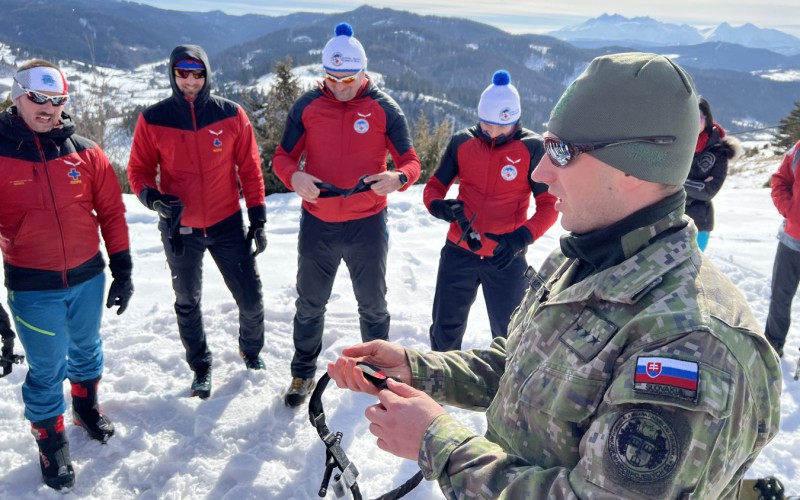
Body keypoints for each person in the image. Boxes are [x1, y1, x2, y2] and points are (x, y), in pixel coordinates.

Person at [327, 53, 781, 499]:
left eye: (561, 152)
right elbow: (520, 368)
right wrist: (415, 367)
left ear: (633, 169)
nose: (541, 173)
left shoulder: (689, 343)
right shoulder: (583, 259)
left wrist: (438, 443)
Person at [0, 60, 133, 491]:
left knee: (87, 347)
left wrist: (123, 266)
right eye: (38, 98)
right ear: (17, 95)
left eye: (57, 100)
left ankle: (85, 407)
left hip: (87, 276)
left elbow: (111, 212)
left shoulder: (86, 151)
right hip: (32, 283)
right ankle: (50, 439)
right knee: (46, 366)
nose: (48, 109)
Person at [273, 23, 421, 407]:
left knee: (372, 304)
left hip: (366, 224)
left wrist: (398, 177)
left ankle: (376, 373)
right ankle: (302, 372)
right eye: (332, 78)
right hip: (318, 223)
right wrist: (295, 175)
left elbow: (411, 161)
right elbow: (282, 157)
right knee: (309, 302)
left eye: (348, 79)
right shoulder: (308, 106)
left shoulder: (384, 108)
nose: (339, 87)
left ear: (363, 72)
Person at [128, 45, 267, 400]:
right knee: (187, 299)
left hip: (226, 223)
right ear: (172, 75)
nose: (190, 80)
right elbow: (139, 171)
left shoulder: (231, 115)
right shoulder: (153, 119)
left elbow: (250, 169)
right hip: (180, 227)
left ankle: (250, 352)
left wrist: (258, 217)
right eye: (182, 73)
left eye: (197, 73)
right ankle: (201, 365)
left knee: (250, 299)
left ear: (207, 74)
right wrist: (153, 199)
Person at [424, 70, 557, 351]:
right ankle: (438, 389)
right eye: (487, 126)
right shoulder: (462, 142)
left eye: (502, 126)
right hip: (459, 251)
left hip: (506, 256)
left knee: (512, 336)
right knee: (444, 331)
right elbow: (434, 186)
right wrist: (439, 207)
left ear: (515, 120)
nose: (494, 133)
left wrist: (520, 238)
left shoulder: (531, 148)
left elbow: (549, 206)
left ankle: (506, 393)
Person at [684, 97, 741, 251]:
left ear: (707, 119)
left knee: (694, 269)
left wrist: (679, 181)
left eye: (699, 117)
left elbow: (708, 191)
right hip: (671, 218)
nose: (694, 122)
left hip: (699, 221)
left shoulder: (719, 151)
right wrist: (697, 184)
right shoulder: (678, 145)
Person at [765, 138, 800, 358]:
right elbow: (779, 180)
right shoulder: (799, 148)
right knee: (780, 297)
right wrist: (790, 210)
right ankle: (772, 347)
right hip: (792, 240)